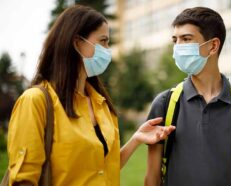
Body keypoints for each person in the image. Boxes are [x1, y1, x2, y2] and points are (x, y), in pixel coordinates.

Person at [6, 5, 175, 186]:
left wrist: (136, 139)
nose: (107, 49)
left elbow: (103, 168)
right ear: (77, 43)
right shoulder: (35, 101)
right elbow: (23, 180)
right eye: (103, 41)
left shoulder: (101, 104)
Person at [145, 7, 231, 186]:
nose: (177, 47)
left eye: (186, 39)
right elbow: (152, 179)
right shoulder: (164, 104)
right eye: (175, 40)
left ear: (213, 46)